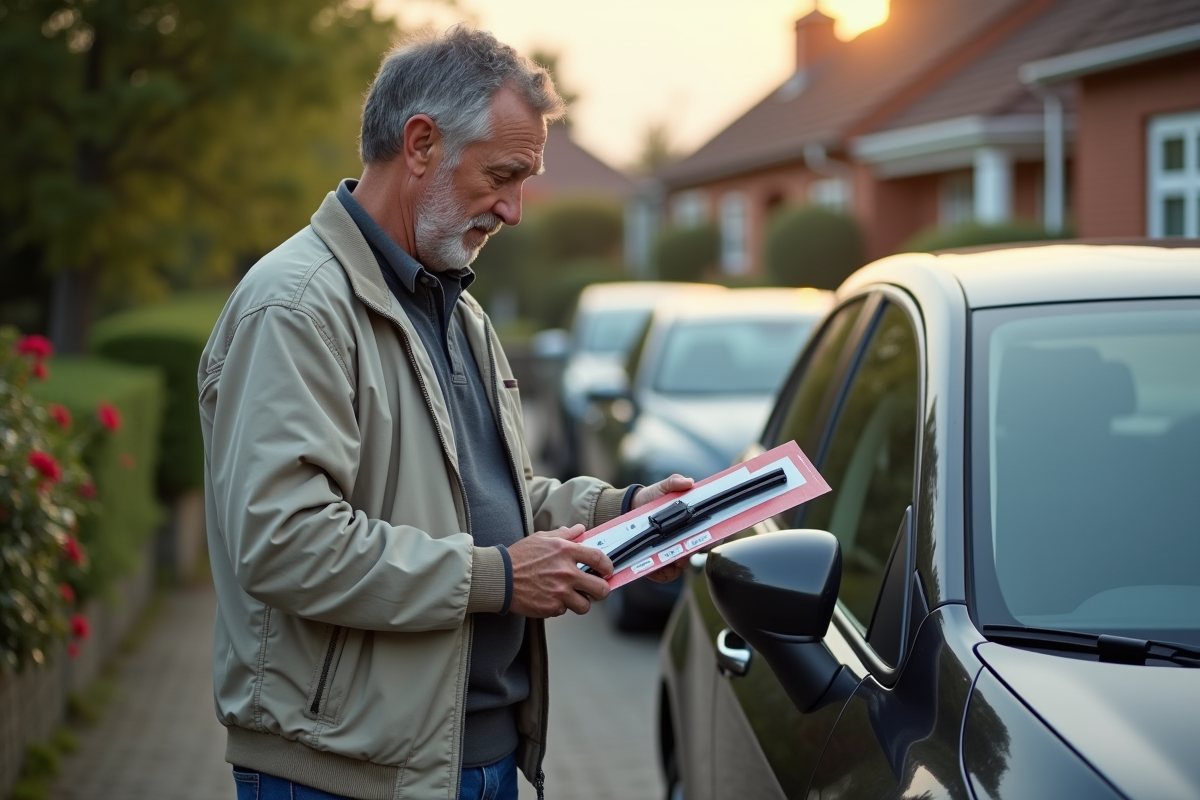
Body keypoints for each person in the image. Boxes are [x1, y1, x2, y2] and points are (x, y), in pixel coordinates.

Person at [198, 25, 692, 800]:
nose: (516, 210)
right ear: (421, 144)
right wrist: (496, 578)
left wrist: (628, 512)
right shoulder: (294, 308)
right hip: (343, 776)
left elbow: (492, 498)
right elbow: (284, 543)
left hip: (471, 760)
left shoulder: (458, 312)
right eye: (503, 175)